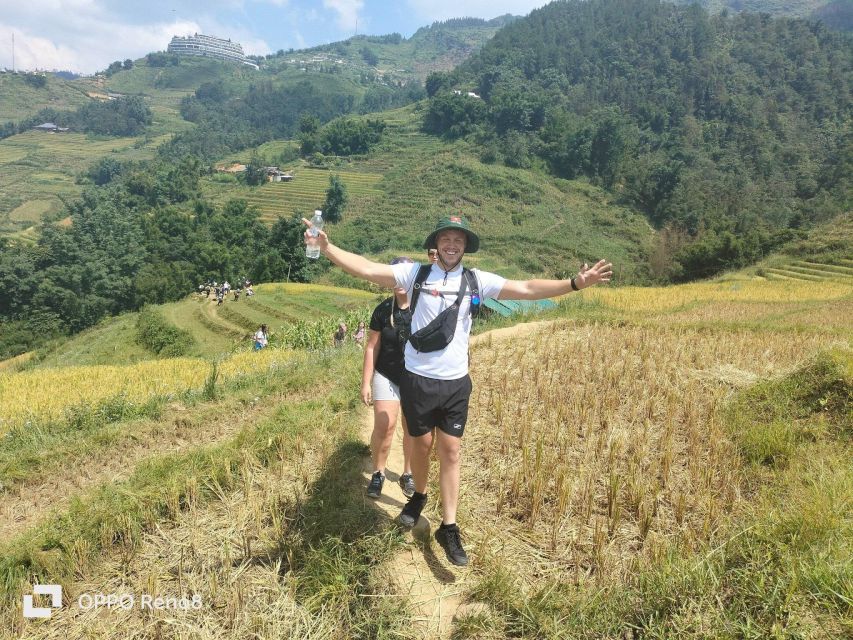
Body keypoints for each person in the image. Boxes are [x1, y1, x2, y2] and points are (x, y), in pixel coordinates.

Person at [302, 214, 612, 567]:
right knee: (421, 446)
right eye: (446, 239)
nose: (452, 244)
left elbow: (525, 289)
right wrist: (327, 249)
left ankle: (448, 526)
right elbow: (367, 269)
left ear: (465, 247)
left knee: (450, 452)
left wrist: (573, 283)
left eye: (459, 240)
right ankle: (419, 494)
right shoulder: (415, 275)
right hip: (417, 380)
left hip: (455, 384)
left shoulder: (476, 280)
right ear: (436, 245)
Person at [363, 257, 416, 500]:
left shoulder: (424, 308)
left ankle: (408, 473)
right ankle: (378, 472)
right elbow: (372, 347)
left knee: (412, 429)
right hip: (387, 374)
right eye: (396, 275)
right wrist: (366, 381)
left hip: (416, 378)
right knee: (385, 425)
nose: (401, 280)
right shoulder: (384, 310)